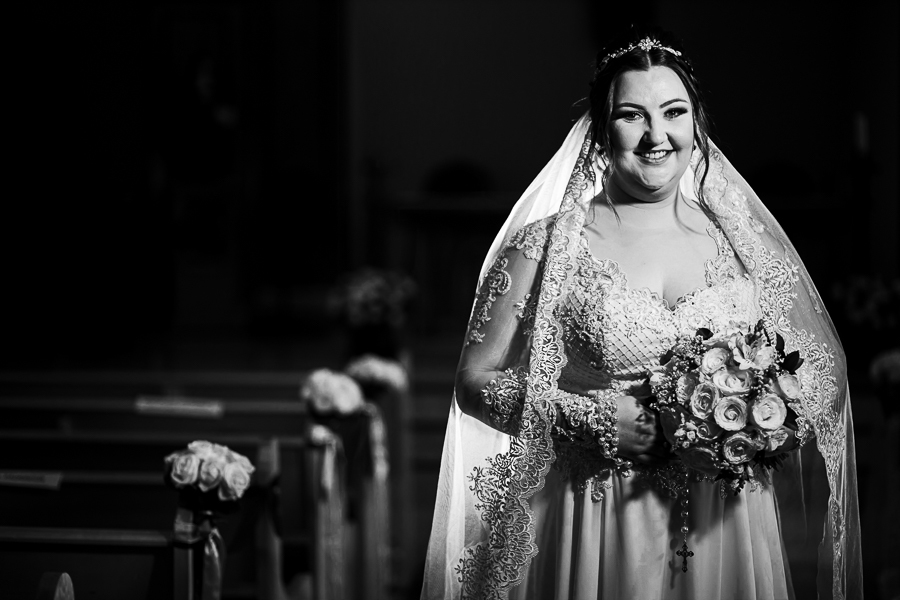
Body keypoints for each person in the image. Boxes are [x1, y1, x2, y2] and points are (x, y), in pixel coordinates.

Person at [421, 27, 863, 600]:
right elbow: (472, 382)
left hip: (726, 512)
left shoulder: (743, 243)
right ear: (600, 132)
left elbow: (820, 370)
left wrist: (758, 417)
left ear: (697, 124)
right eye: (633, 115)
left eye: (673, 112)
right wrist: (595, 419)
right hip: (597, 512)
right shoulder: (543, 247)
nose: (657, 135)